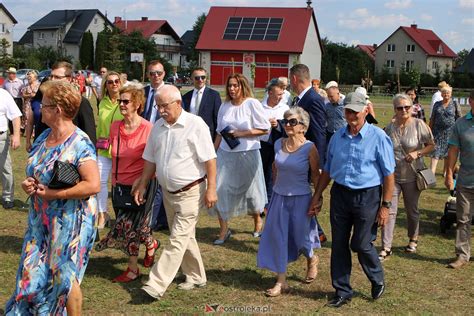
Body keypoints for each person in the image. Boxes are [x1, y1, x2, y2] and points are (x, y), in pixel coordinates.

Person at [5, 80, 100, 315]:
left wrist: (53, 194)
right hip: (40, 217)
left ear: (57, 110)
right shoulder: (44, 136)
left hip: (70, 220)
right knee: (31, 270)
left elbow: (93, 184)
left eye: (43, 105)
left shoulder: (80, 143)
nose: (38, 108)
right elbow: (37, 170)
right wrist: (31, 184)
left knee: (64, 278)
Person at [132, 84, 217, 299]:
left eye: (164, 106)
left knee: (176, 240)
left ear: (178, 103)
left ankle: (156, 284)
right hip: (168, 192)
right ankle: (197, 276)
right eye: (158, 106)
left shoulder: (196, 125)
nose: (160, 110)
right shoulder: (158, 127)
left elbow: (210, 159)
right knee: (184, 236)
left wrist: (212, 189)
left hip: (191, 191)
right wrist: (142, 183)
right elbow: (150, 159)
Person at [311, 92, 395, 308]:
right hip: (340, 195)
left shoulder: (378, 137)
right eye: (347, 111)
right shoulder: (337, 137)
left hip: (367, 196)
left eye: (355, 111)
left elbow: (388, 175)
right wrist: (318, 194)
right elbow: (328, 169)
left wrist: (385, 206)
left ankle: (377, 278)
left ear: (365, 110)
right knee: (339, 244)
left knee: (360, 243)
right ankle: (342, 290)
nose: (350, 115)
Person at [95, 83, 159, 282]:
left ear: (137, 104)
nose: (121, 104)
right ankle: (147, 249)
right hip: (120, 185)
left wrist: (141, 180)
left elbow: (155, 159)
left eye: (126, 101)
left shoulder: (148, 128)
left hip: (143, 185)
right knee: (129, 227)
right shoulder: (116, 126)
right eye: (120, 101)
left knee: (135, 228)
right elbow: (112, 152)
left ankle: (137, 263)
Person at [257, 107, 321, 296]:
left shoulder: (310, 148)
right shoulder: (278, 143)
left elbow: (316, 177)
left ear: (303, 127)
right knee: (279, 237)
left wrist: (318, 200)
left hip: (301, 198)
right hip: (279, 198)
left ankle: (311, 258)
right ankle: (281, 281)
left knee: (301, 237)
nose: (288, 125)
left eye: (293, 122)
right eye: (286, 121)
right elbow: (275, 169)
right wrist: (274, 193)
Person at [210, 73, 270, 244]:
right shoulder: (224, 106)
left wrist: (240, 133)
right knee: (220, 189)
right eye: (229, 85)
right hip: (225, 153)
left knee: (252, 191)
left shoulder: (252, 103)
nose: (232, 89)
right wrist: (212, 154)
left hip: (248, 152)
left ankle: (258, 220)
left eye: (235, 85)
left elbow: (264, 129)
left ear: (242, 86)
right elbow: (220, 133)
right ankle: (223, 230)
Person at [379, 94, 435, 260]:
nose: (403, 110)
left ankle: (413, 239)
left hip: (412, 175)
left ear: (412, 108)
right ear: (394, 110)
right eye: (399, 108)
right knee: (389, 211)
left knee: (412, 210)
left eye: (407, 107)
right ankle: (386, 247)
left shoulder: (419, 124)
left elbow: (432, 145)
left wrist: (418, 152)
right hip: (392, 177)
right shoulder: (389, 128)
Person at [445, 89, 474, 269]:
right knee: (463, 219)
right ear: (471, 102)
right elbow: (453, 151)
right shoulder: (460, 124)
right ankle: (462, 255)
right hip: (466, 180)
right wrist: (449, 173)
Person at [141, 60, 167, 232]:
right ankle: (148, 216)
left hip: (163, 138)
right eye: (152, 73)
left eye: (158, 73)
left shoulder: (170, 93)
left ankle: (157, 219)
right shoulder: (143, 92)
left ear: (164, 73)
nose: (155, 76)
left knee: (161, 181)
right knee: (147, 178)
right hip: (144, 140)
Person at [96, 71, 124, 228]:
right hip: (103, 148)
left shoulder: (125, 101)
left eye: (116, 81)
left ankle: (121, 215)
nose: (114, 84)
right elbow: (100, 125)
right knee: (99, 181)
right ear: (105, 85)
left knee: (118, 183)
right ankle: (102, 214)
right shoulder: (102, 102)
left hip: (121, 149)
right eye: (110, 82)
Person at [259, 79, 289, 211]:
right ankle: (259, 200)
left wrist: (278, 125)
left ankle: (269, 202)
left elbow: (288, 126)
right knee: (261, 172)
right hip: (262, 144)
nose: (281, 97)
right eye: (278, 94)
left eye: (282, 94)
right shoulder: (260, 107)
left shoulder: (285, 108)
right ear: (270, 93)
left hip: (278, 146)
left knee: (273, 173)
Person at [290, 64, 327, 166]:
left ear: (294, 79)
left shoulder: (313, 99)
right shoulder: (299, 99)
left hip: (307, 156)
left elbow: (319, 132)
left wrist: (318, 162)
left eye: (290, 80)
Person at [429, 84, 462, 175]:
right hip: (437, 132)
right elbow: (432, 118)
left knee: (448, 153)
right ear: (441, 94)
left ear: (451, 94)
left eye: (448, 93)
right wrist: (429, 131)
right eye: (444, 93)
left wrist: (459, 131)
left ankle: (446, 171)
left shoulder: (455, 103)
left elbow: (459, 118)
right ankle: (431, 173)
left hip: (451, 133)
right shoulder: (437, 104)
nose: (446, 94)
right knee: (435, 152)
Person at [182, 67, 222, 141]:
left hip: (207, 136)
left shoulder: (214, 95)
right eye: (197, 78)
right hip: (189, 135)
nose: (200, 80)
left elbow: (218, 119)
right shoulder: (186, 97)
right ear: (192, 79)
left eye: (203, 77)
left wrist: (216, 141)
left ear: (206, 78)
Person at [0, 88, 21, 209]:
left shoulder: (3, 94)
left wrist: (17, 135)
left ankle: (8, 197)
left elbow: (15, 116)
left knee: (5, 168)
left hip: (1, 138)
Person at [21, 71, 40, 147]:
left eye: (30, 77)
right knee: (27, 119)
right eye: (28, 77)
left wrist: (34, 95)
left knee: (35, 118)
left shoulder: (39, 85)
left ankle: (35, 133)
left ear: (35, 78)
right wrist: (30, 95)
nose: (29, 78)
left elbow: (40, 95)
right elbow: (23, 95)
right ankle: (29, 133)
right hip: (27, 105)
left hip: (36, 105)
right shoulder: (26, 86)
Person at [3, 67, 24, 133]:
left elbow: (23, 91)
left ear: (14, 74)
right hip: (8, 100)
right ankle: (11, 131)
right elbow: (3, 90)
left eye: (10, 73)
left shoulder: (20, 82)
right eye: (8, 73)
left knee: (18, 115)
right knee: (9, 115)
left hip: (17, 100)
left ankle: (19, 130)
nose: (8, 75)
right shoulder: (6, 81)